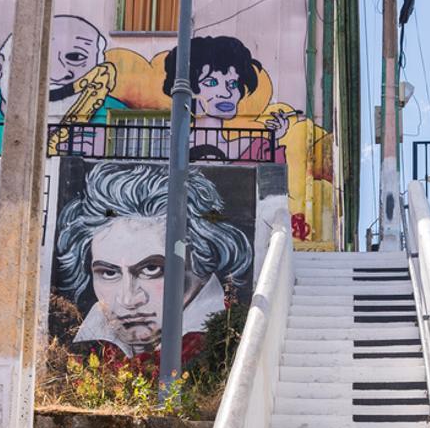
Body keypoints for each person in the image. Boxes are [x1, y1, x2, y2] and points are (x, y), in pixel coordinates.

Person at [53, 160, 252, 359]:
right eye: (109, 273)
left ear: (200, 257)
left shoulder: (228, 337)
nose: (128, 300)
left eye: (151, 269)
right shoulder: (87, 344)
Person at [0, 14, 127, 155]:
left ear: (98, 68)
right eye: (36, 57)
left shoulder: (119, 116)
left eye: (75, 57)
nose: (57, 75)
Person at [163, 34, 292, 163]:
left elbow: (273, 180)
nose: (227, 93)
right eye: (211, 82)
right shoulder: (169, 150)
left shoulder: (255, 148)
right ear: (188, 88)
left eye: (233, 84)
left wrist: (274, 140)